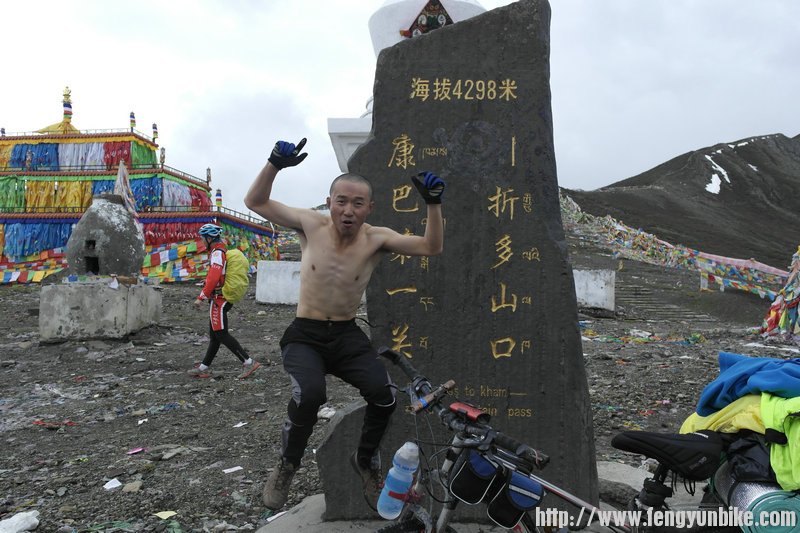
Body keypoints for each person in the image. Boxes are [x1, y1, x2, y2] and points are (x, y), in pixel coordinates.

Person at [244, 138, 445, 511]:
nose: (348, 210)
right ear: (329, 202)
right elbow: (255, 202)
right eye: (341, 201)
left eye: (357, 203)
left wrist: (433, 203)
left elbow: (431, 247)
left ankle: (365, 460)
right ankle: (287, 465)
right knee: (310, 395)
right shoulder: (310, 224)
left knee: (385, 396)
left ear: (370, 208)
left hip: (346, 334)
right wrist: (274, 164)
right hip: (305, 334)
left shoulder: (377, 239)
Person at [188, 223, 261, 380]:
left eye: (203, 238)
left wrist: (201, 297)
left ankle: (248, 362)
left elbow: (213, 277)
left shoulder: (217, 253)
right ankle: (203, 367)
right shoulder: (221, 251)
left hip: (219, 300)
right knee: (215, 335)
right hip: (220, 298)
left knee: (221, 333)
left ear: (209, 238)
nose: (202, 241)